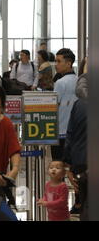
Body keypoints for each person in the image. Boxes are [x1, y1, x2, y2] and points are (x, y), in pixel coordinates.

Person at [64, 56, 88, 219]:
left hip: (81, 162)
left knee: (87, 203)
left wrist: (69, 166)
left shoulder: (79, 104)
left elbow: (70, 135)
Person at [52, 48, 78, 160]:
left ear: (68, 63)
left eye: (58, 61)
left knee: (58, 166)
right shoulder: (79, 80)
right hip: (76, 131)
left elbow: (54, 106)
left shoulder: (60, 82)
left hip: (61, 131)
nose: (55, 64)